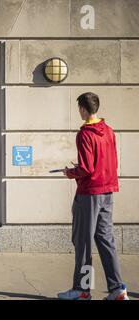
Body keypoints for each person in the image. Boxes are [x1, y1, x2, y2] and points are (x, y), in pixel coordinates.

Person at [58, 92, 129, 300]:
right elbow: (111, 162)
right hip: (107, 190)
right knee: (107, 240)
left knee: (83, 242)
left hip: (89, 194)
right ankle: (117, 289)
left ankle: (82, 290)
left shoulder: (84, 134)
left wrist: (69, 173)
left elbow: (87, 168)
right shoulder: (108, 131)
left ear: (82, 108)